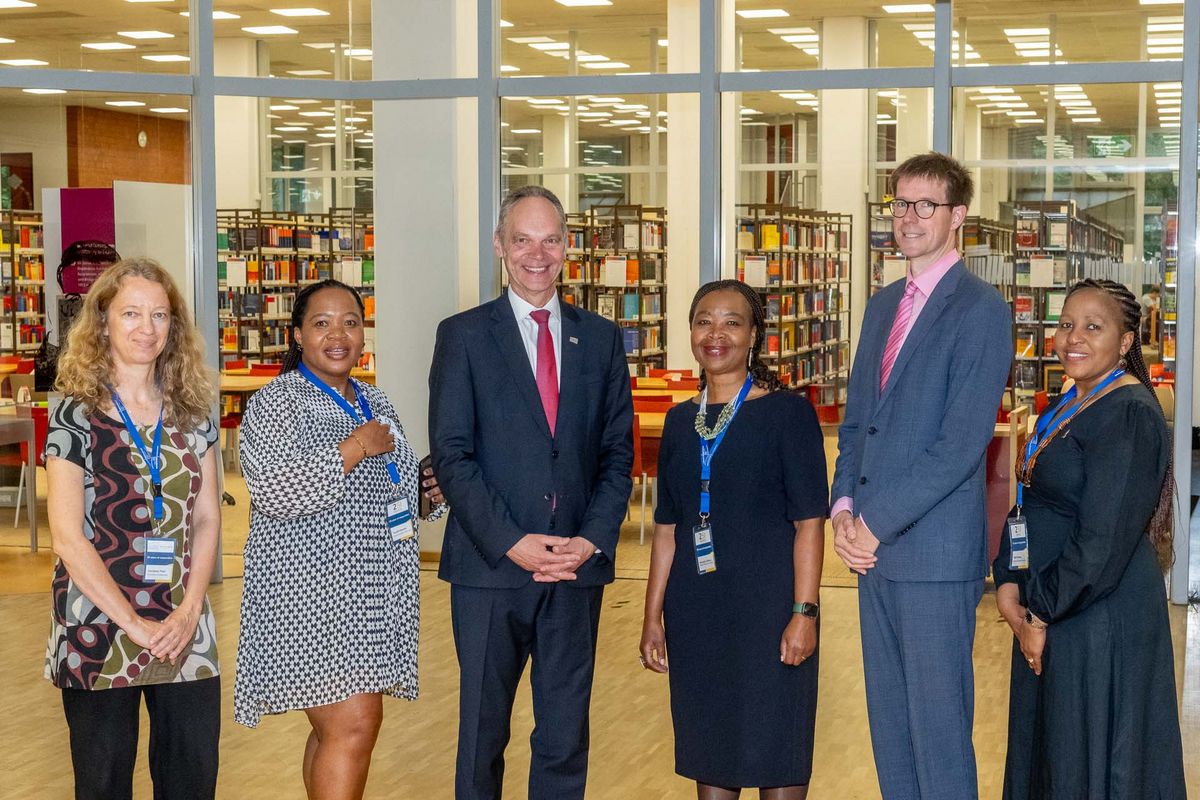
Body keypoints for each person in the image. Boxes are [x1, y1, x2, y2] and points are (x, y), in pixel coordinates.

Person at [428, 185, 634, 800]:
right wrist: (512, 541)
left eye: (550, 240)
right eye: (522, 240)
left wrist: (590, 541)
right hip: (491, 570)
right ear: (499, 245)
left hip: (574, 570)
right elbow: (452, 455)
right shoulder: (463, 336)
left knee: (564, 739)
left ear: (568, 247)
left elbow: (617, 455)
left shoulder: (601, 339)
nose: (536, 255)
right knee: (482, 735)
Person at [830, 152, 1011, 800]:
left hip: (932, 556)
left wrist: (873, 523)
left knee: (938, 737)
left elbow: (960, 445)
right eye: (900, 203)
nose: (907, 217)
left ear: (957, 216)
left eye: (924, 205)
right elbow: (857, 423)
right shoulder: (882, 306)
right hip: (870, 554)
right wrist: (843, 509)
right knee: (891, 733)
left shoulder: (981, 310)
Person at [233, 279, 445, 800]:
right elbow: (275, 491)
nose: (338, 335)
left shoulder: (374, 399)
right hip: (311, 594)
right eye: (322, 324)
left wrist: (427, 492)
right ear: (297, 334)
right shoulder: (275, 403)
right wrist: (353, 448)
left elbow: (387, 487)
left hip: (372, 594)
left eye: (350, 322)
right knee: (353, 725)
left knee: (336, 730)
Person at [993, 278, 1186, 799]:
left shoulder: (1129, 413)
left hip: (1096, 619)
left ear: (1125, 343)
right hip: (1050, 609)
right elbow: (1030, 501)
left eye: (1092, 327)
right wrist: (1009, 582)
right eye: (1065, 324)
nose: (1072, 337)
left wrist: (1038, 613)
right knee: (1051, 762)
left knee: (1088, 764)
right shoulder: (1067, 403)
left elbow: (1100, 542)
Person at [639, 280, 827, 800]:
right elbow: (668, 529)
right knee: (711, 751)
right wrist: (652, 617)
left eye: (731, 322)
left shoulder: (788, 414)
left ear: (754, 336)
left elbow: (810, 523)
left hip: (772, 612)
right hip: (697, 614)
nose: (715, 334)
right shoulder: (679, 422)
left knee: (777, 752)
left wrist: (804, 613)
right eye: (704, 321)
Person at [45, 257, 222, 799]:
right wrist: (134, 624)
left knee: (192, 777)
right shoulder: (74, 415)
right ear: (102, 322)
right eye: (131, 313)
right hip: (98, 625)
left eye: (160, 315)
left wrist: (189, 610)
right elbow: (67, 537)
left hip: (184, 623)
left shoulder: (193, 411)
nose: (147, 327)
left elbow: (207, 516)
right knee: (103, 784)